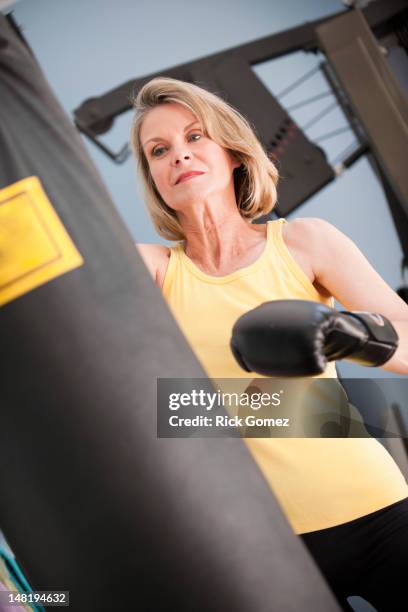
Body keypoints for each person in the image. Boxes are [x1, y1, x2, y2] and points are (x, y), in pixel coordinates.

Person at [130, 77, 408, 611]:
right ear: (155, 179)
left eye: (195, 137)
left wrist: (354, 337)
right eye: (159, 151)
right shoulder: (153, 271)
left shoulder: (305, 242)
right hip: (265, 548)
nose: (179, 156)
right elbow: (169, 417)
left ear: (232, 152)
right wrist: (275, 390)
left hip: (376, 508)